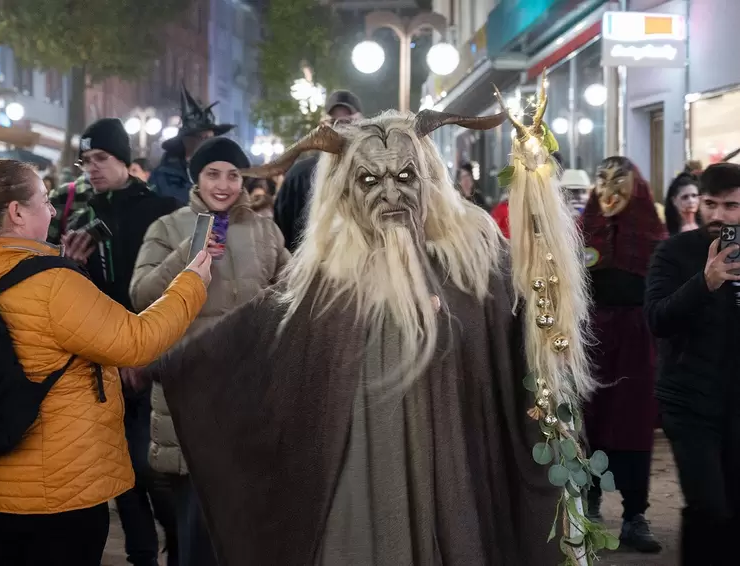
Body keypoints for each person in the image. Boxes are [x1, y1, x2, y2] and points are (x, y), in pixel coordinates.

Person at [146, 95, 598, 565]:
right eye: (370, 179)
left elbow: (534, 310)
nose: (390, 194)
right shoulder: (328, 275)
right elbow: (252, 334)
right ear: (344, 192)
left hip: (455, 479)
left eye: (405, 177)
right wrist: (165, 363)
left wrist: (539, 211)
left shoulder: (474, 260)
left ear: (428, 179)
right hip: (361, 486)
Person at [0, 158, 210, 566]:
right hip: (57, 492)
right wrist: (192, 284)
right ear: (17, 213)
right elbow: (138, 342)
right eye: (43, 200)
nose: (53, 210)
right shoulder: (50, 283)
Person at [131, 137, 289, 566]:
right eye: (213, 174)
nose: (224, 185)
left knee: (247, 526)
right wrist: (189, 253)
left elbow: (295, 292)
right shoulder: (168, 228)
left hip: (249, 399)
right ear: (195, 178)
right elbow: (140, 295)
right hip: (191, 397)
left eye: (233, 175)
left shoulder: (265, 230)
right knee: (196, 531)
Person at [66, 118, 181, 566]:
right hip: (104, 359)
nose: (92, 168)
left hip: (154, 355)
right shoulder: (80, 218)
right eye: (86, 160)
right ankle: (142, 556)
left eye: (101, 159)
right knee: (122, 473)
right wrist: (72, 265)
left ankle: (179, 543)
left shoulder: (162, 210)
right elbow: (78, 296)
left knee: (155, 467)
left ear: (125, 160)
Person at [645, 162, 740, 565]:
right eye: (710, 203)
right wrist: (705, 282)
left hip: (736, 404)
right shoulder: (674, 251)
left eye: (732, 206)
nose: (718, 215)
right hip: (689, 403)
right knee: (709, 509)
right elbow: (657, 319)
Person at [580, 156, 666, 553]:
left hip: (637, 342)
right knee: (591, 423)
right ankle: (590, 507)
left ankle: (635, 515)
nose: (610, 191)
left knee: (633, 426)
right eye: (603, 180)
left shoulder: (654, 236)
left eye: (620, 181)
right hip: (592, 341)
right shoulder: (582, 231)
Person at [273, 90, 363, 251]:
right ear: (322, 126)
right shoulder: (298, 176)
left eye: (348, 122)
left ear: (362, 124)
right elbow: (281, 232)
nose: (340, 129)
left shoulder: (372, 175)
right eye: (333, 122)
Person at [150, 86, 235, 207]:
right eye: (203, 138)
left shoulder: (224, 174)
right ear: (186, 140)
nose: (209, 143)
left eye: (211, 138)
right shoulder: (162, 176)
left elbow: (227, 214)